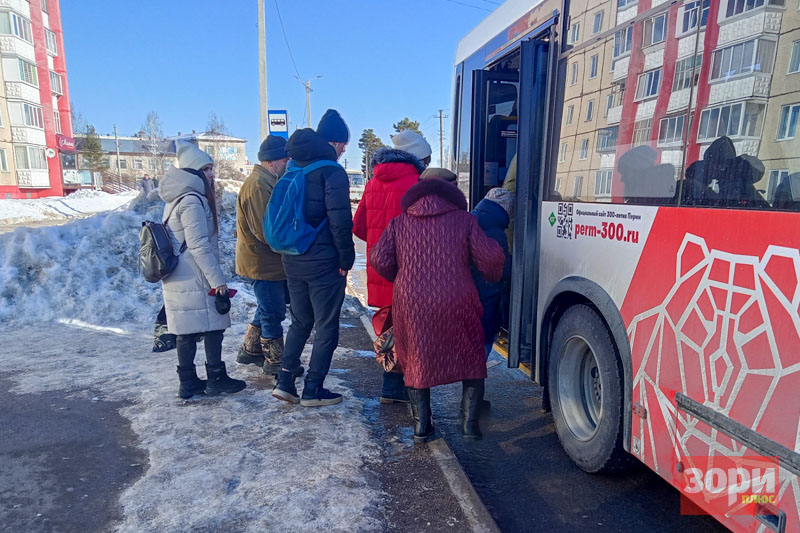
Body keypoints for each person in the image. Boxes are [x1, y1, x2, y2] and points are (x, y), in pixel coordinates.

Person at [370, 178, 504, 442]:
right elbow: (490, 259)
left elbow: (378, 259)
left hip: (411, 301)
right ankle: (469, 426)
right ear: (452, 197)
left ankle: (422, 427)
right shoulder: (465, 220)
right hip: (458, 297)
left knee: (417, 359)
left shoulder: (400, 222)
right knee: (471, 357)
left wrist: (402, 276)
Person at [272, 109, 355, 407]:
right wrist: (346, 259)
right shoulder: (332, 172)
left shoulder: (293, 167)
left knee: (300, 322)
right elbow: (340, 222)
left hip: (292, 258)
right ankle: (313, 389)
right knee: (326, 325)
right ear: (332, 142)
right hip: (323, 263)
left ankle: (284, 381)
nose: (345, 149)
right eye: (343, 143)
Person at [160, 140, 246, 399]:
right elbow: (198, 245)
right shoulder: (192, 201)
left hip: (179, 275)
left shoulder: (176, 198)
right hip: (195, 275)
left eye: (211, 168)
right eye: (206, 169)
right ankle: (216, 378)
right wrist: (217, 280)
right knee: (213, 327)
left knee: (185, 330)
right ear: (193, 173)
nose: (212, 174)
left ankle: (188, 382)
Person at [353, 137, 430, 404]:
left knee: (390, 325)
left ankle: (390, 386)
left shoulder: (373, 183)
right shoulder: (418, 186)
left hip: (380, 266)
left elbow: (358, 226)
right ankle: (405, 389)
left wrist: (379, 240)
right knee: (411, 329)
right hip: (410, 269)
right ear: (418, 159)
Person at [235, 135, 292, 375]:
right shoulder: (259, 184)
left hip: (266, 261)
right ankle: (275, 361)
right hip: (262, 261)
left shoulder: (267, 180)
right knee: (272, 310)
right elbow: (264, 230)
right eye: (286, 159)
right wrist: (290, 245)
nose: (288, 164)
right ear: (273, 161)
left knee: (267, 305)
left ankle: (250, 350)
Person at [470, 188, 513, 360]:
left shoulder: (467, 221)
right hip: (486, 300)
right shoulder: (497, 233)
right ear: (505, 210)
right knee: (479, 356)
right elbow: (503, 271)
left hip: (464, 297)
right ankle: (474, 386)